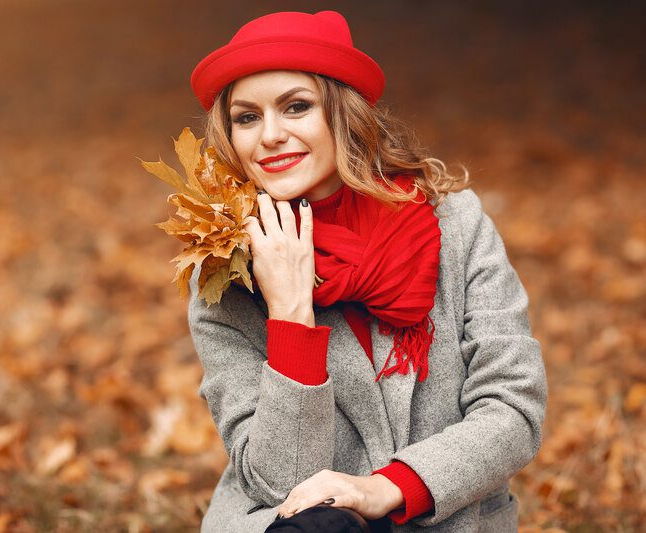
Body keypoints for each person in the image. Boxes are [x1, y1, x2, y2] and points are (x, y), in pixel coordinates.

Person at [185, 10, 547, 533]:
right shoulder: (226, 275)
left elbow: (513, 408)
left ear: (344, 113)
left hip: (441, 519)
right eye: (246, 117)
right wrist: (289, 313)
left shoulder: (453, 226)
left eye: (296, 107)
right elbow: (277, 484)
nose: (269, 136)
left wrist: (385, 488)